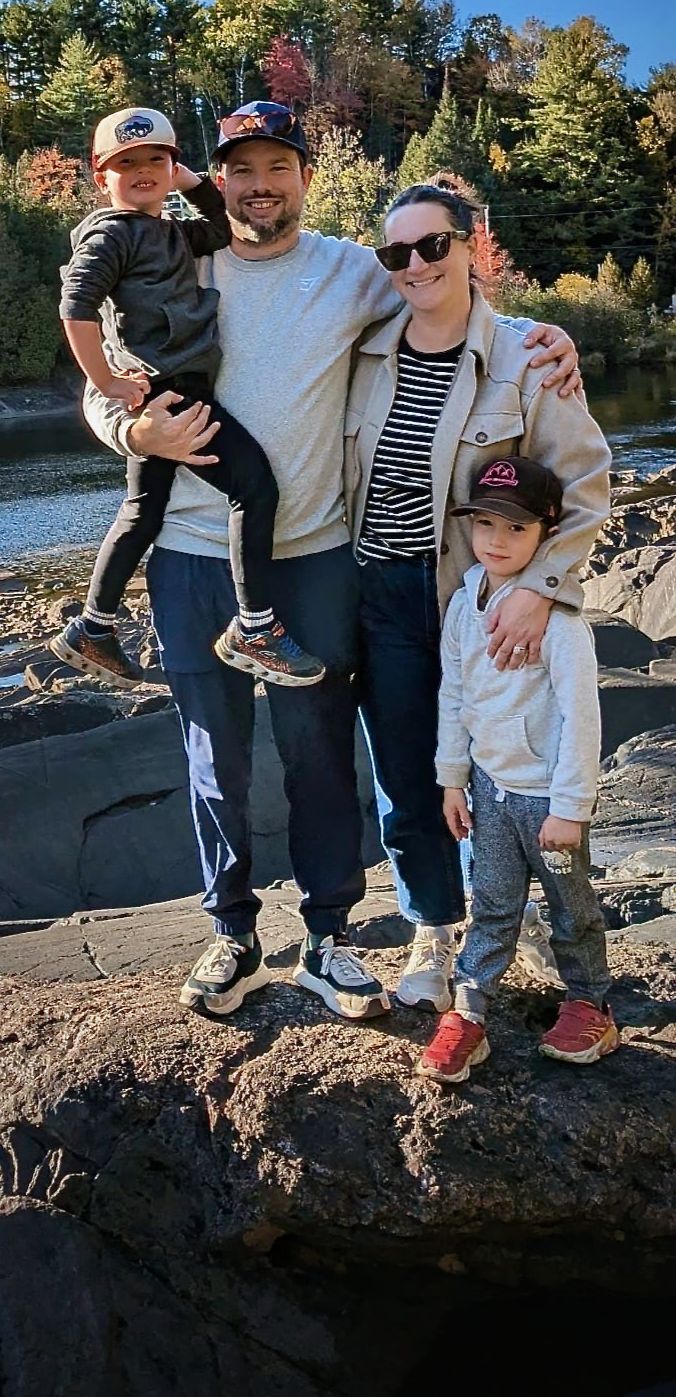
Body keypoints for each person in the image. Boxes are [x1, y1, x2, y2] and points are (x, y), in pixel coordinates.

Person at [84, 105, 580, 1022]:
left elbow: (450, 296)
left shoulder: (353, 270)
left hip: (312, 558)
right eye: (243, 168)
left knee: (318, 753)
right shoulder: (168, 257)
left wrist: (546, 336)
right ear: (217, 178)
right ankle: (230, 933)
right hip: (191, 558)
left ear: (304, 178)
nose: (260, 184)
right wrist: (129, 425)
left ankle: (328, 937)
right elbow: (98, 382)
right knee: (214, 755)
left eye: (279, 166)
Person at [345, 182, 612, 1018]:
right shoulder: (361, 347)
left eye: (433, 245)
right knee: (407, 768)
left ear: (469, 245)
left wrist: (537, 589)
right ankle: (432, 925)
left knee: (503, 765)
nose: (416, 264)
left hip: (477, 599)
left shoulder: (528, 358)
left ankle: (508, 924)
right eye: (398, 253)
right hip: (379, 594)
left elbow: (588, 484)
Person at [52, 106, 324, 689]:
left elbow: (223, 229)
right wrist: (108, 385)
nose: (145, 170)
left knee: (141, 510)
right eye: (127, 164)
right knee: (254, 488)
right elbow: (74, 309)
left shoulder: (170, 231)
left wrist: (194, 182)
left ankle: (93, 628)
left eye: (158, 159)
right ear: (102, 178)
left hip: (169, 386)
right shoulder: (111, 234)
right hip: (170, 389)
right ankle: (255, 628)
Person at [415, 456, 619, 1083]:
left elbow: (583, 718)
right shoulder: (462, 603)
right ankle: (470, 1010)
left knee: (571, 906)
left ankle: (590, 1004)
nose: (496, 541)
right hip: (489, 792)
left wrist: (570, 808)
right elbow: (454, 692)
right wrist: (452, 776)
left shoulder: (559, 623)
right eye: (483, 523)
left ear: (547, 531)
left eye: (516, 529)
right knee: (493, 904)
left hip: (547, 801)